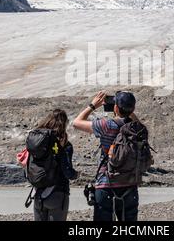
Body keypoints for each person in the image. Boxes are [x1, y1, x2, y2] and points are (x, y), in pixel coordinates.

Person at [73, 91, 140, 221]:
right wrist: (128, 110)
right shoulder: (137, 128)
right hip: (130, 185)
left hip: (106, 184)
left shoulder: (106, 125)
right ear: (133, 108)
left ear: (115, 107)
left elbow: (76, 122)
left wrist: (93, 105)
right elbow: (135, 121)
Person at [30, 109, 78, 221]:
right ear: (64, 124)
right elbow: (67, 171)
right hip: (57, 193)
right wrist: (76, 175)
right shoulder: (65, 144)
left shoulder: (38, 144)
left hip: (38, 194)